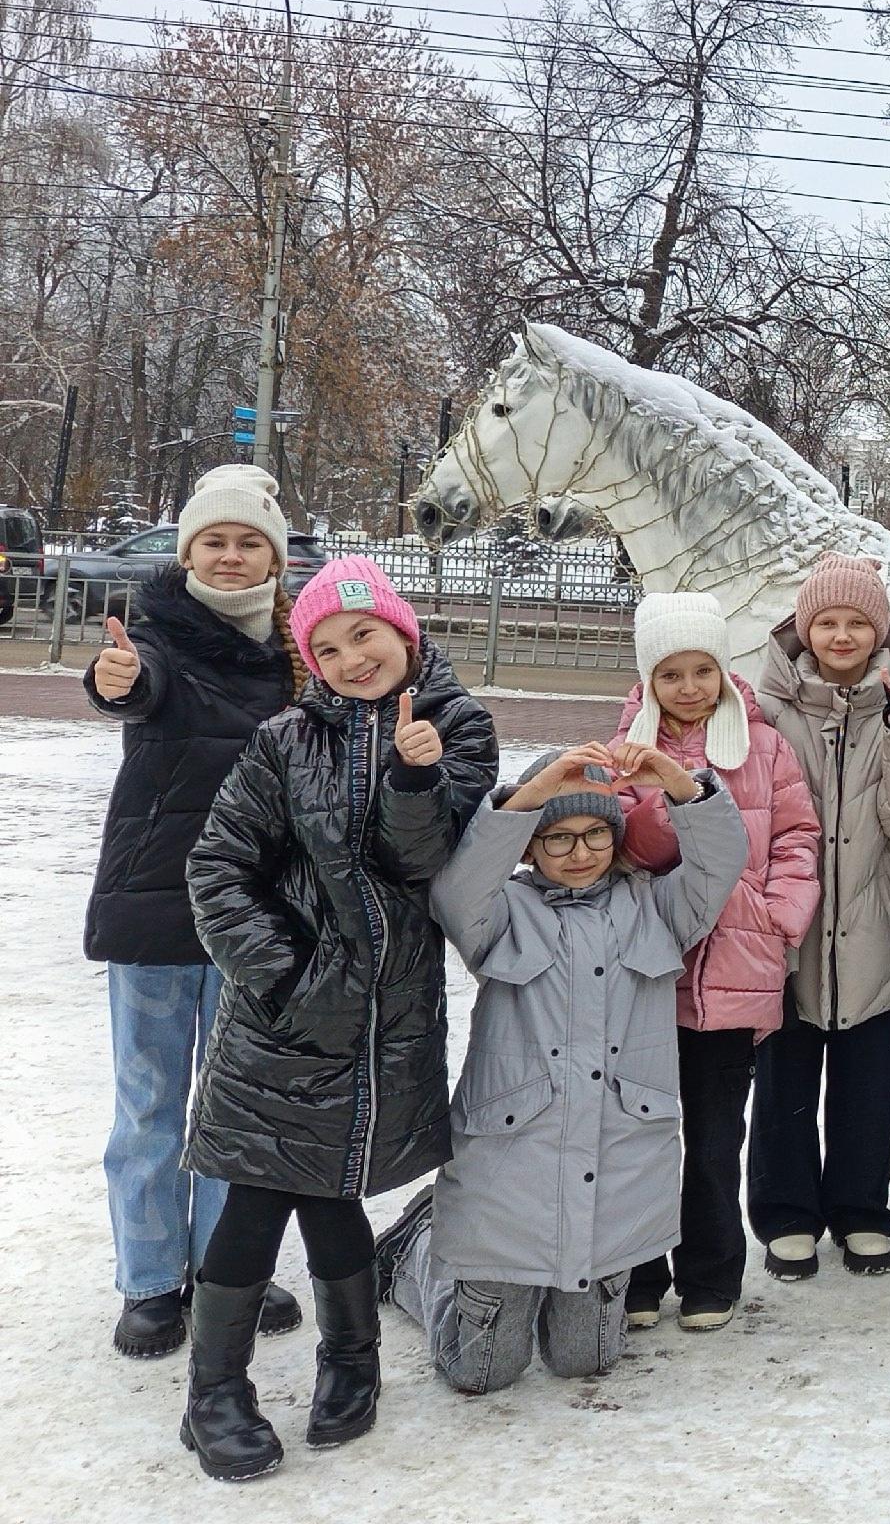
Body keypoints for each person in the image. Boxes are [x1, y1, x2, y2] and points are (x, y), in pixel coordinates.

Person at [177, 558, 498, 1481]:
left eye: (365, 634)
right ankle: (213, 1396)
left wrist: (411, 776)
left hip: (384, 1022)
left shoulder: (459, 726)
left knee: (336, 1189)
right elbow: (217, 867)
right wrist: (283, 978)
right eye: (327, 646)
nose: (352, 657)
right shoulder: (283, 741)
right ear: (308, 661)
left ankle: (351, 1367)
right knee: (254, 1193)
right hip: (280, 1020)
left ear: (403, 630)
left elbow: (423, 861)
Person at [376, 741, 748, 1393]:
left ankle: (549, 1292)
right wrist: (527, 798)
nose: (580, 852)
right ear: (529, 846)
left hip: (613, 1164)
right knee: (481, 1368)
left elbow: (722, 861)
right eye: (558, 838)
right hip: (515, 1162)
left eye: (595, 834)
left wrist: (673, 781)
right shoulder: (500, 914)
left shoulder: (658, 908)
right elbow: (457, 888)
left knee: (586, 1358)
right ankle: (414, 1250)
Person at [82, 465, 304, 1358]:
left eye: (250, 540)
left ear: (275, 558)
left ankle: (225, 1270)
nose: (231, 553)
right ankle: (148, 1281)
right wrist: (118, 677)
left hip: (258, 909)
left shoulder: (300, 649)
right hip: (157, 905)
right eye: (214, 539)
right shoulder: (157, 635)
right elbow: (132, 686)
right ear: (187, 552)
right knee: (150, 1100)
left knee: (238, 1103)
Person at [612, 591, 821, 1330]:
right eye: (672, 674)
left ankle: (710, 1275)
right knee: (639, 1138)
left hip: (737, 972)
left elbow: (798, 837)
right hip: (648, 978)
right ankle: (636, 1275)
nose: (691, 688)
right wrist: (668, 794)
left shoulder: (762, 745)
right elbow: (630, 851)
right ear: (650, 678)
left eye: (704, 669)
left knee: (713, 1139)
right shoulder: (627, 751)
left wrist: (777, 917)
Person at [746, 557, 890, 1283]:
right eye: (826, 621)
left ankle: (862, 1212)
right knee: (783, 1082)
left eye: (857, 621)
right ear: (804, 629)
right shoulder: (766, 708)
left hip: (874, 921)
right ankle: (787, 1216)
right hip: (787, 928)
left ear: (879, 629)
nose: (841, 634)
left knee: (867, 1085)